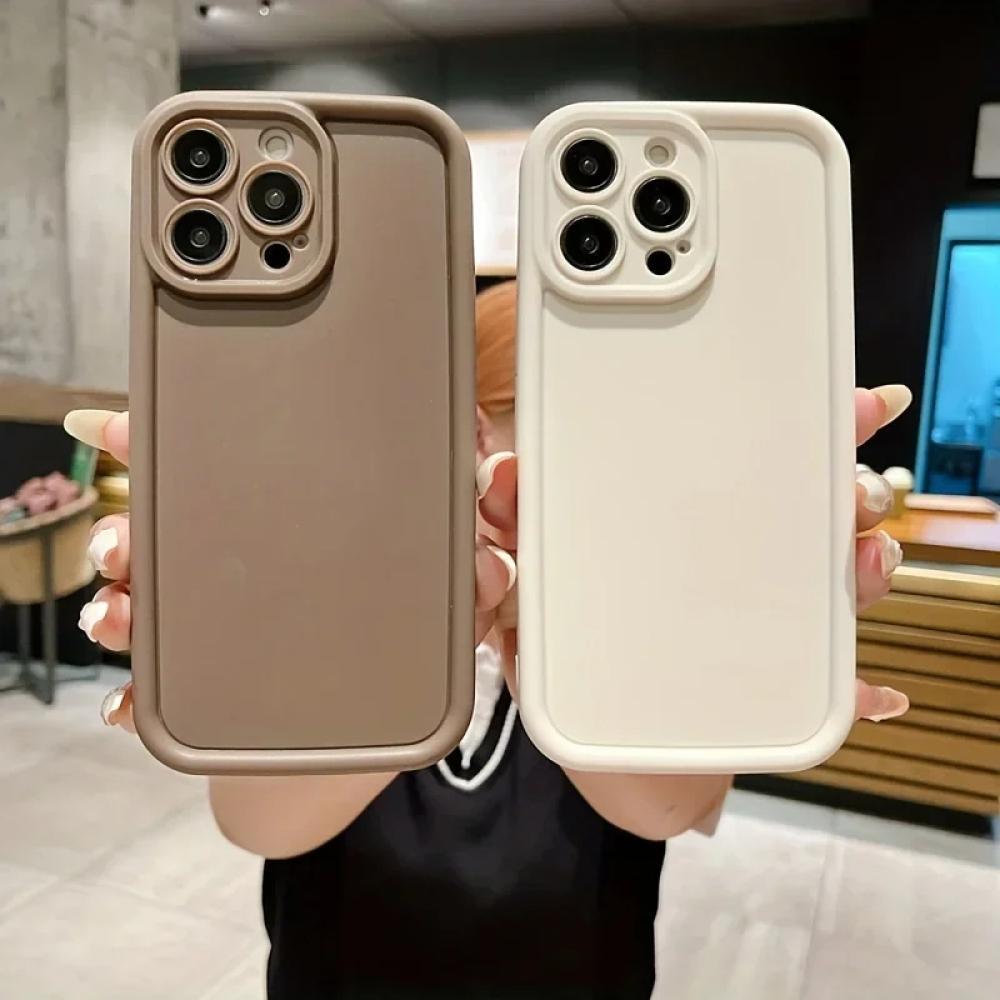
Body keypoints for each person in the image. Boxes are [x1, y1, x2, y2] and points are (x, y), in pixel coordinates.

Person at [65, 279, 911, 999]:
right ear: (474, 431)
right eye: (574, 426)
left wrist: (549, 637)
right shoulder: (347, 596)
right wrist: (427, 636)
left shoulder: (646, 614)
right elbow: (256, 822)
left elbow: (667, 807)